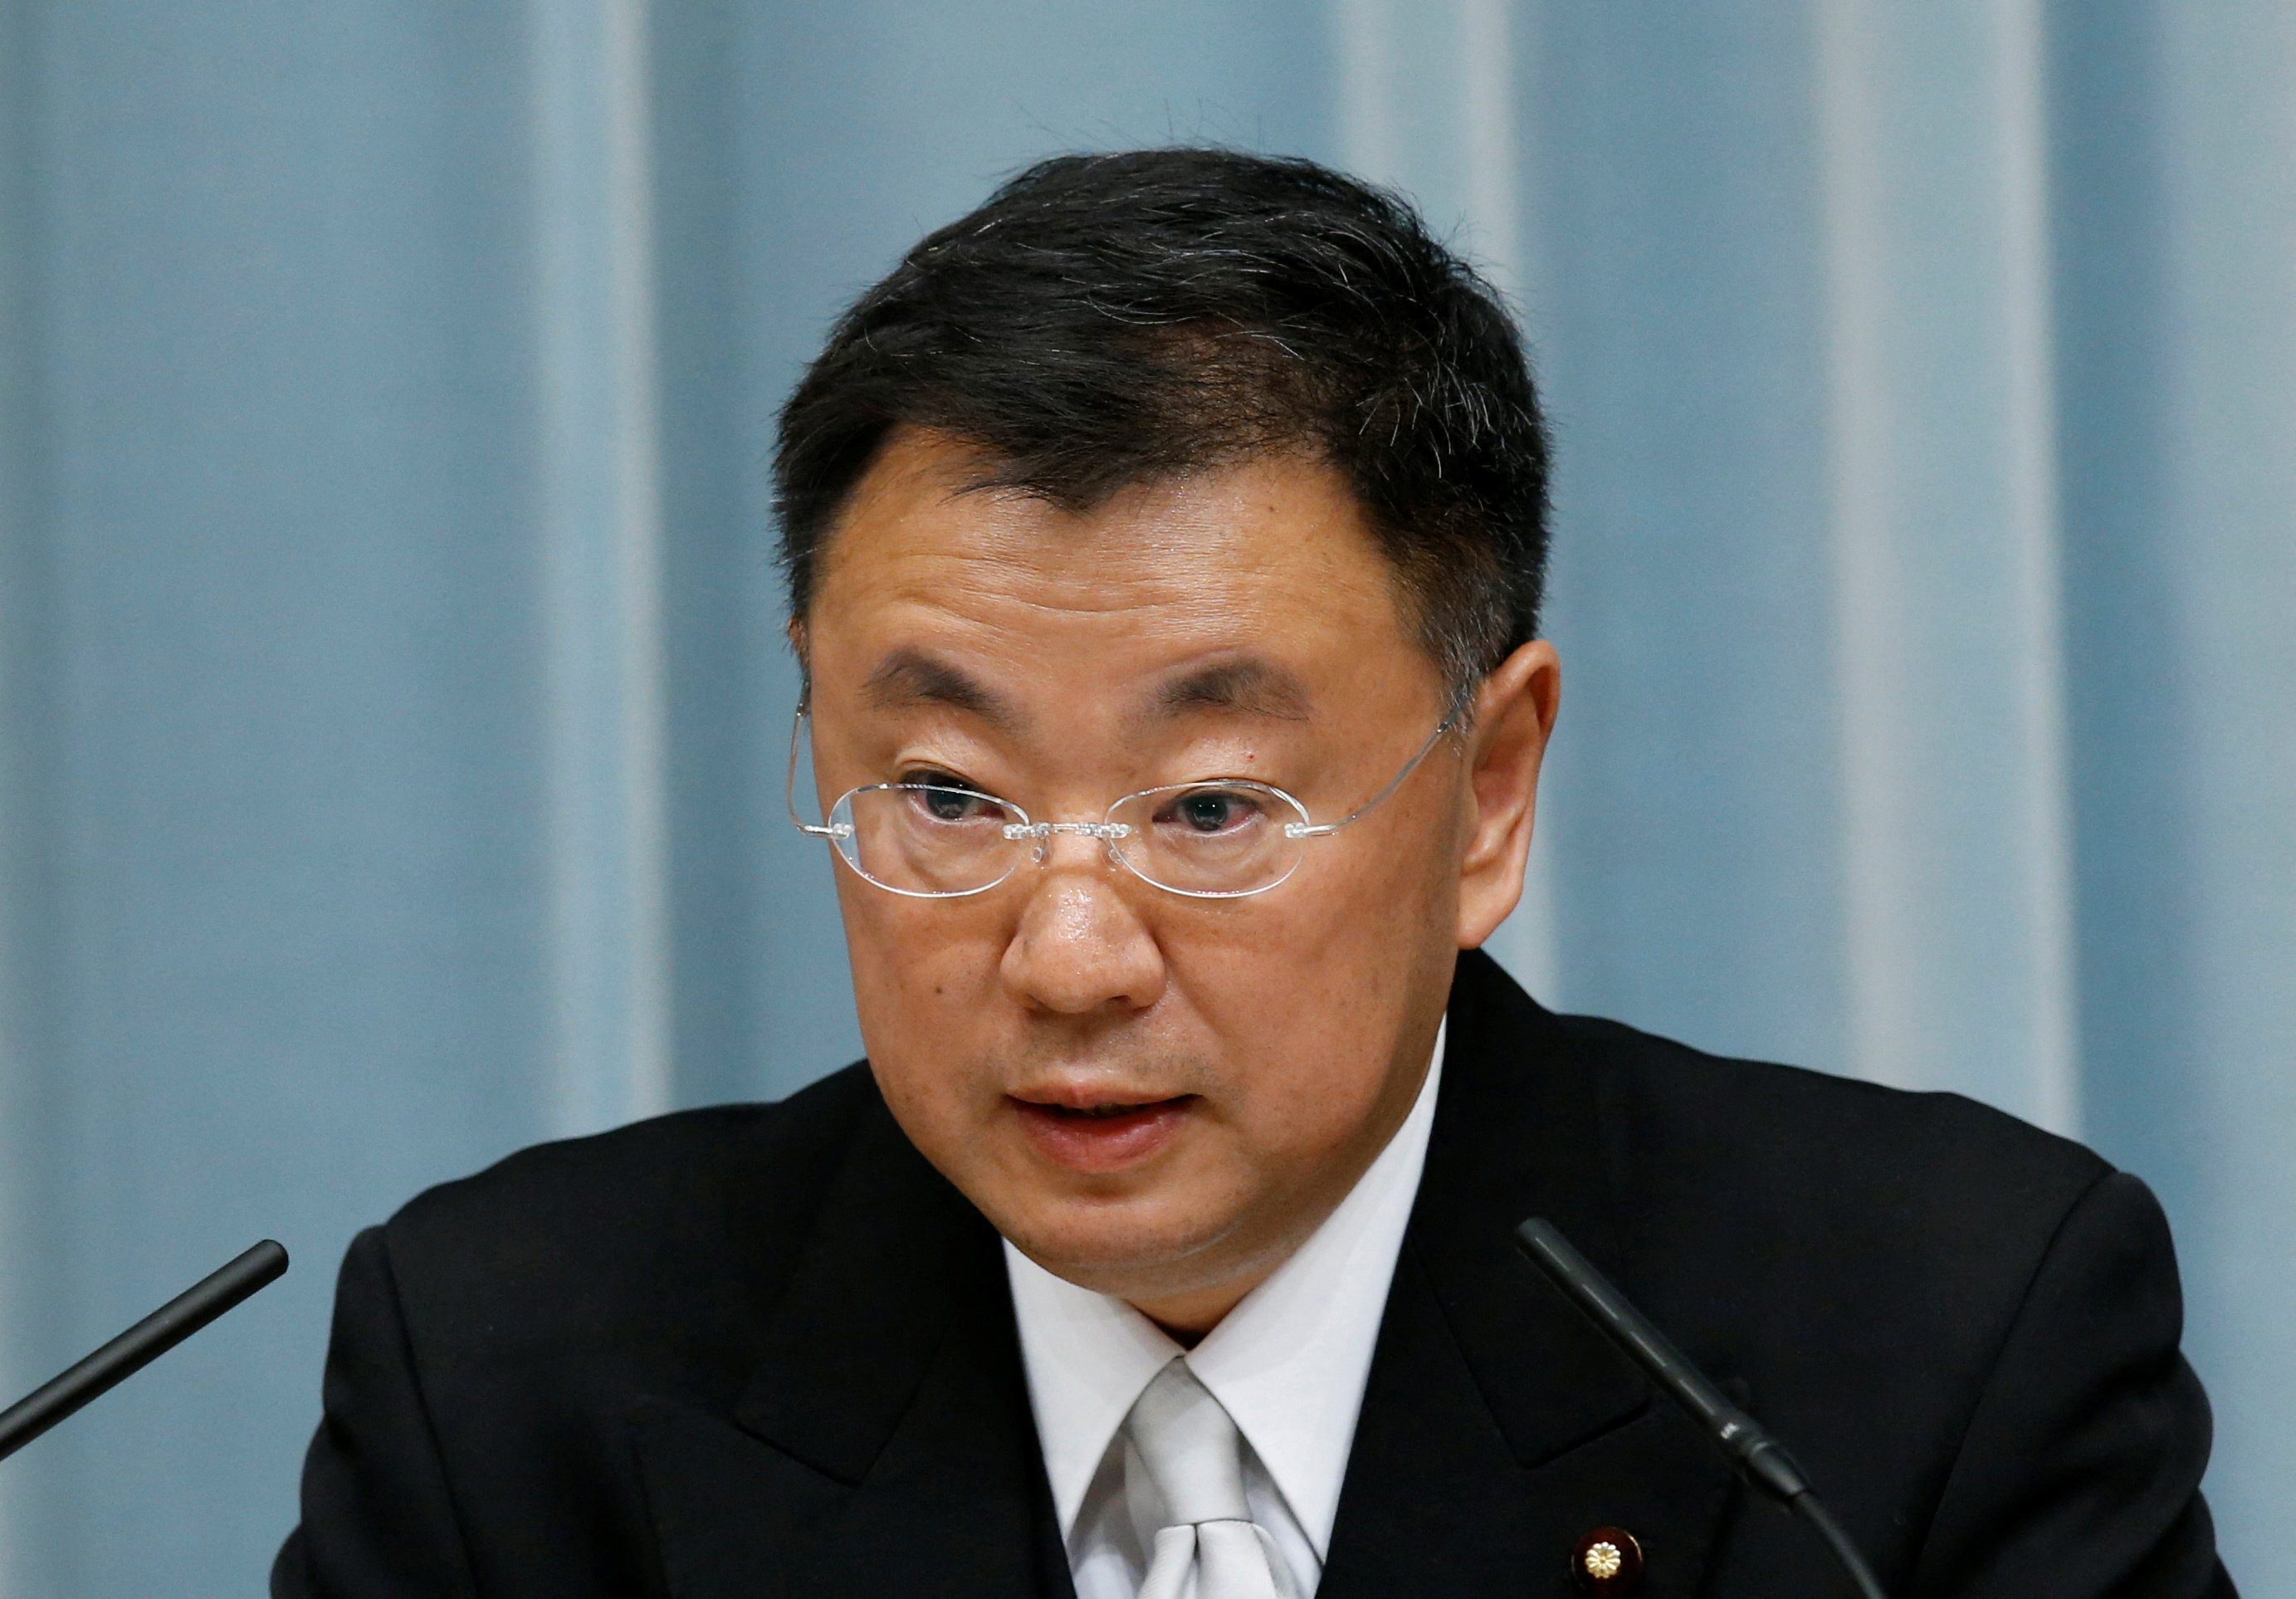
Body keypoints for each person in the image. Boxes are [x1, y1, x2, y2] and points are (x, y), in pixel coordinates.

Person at [273, 149, 2231, 1598]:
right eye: (947, 793)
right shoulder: (515, 1381)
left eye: (1209, 808)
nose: (1065, 953)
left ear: (1489, 793)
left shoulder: (1940, 1346)